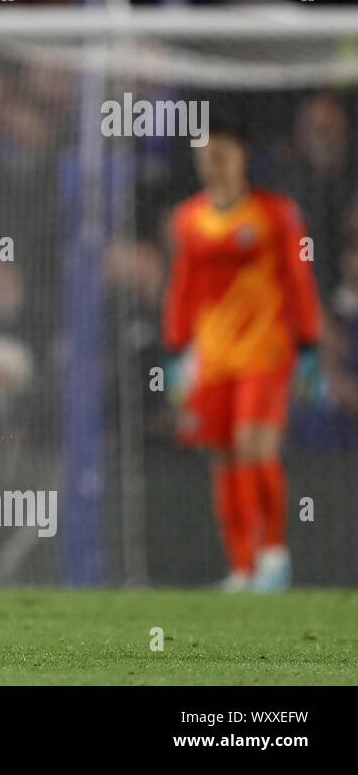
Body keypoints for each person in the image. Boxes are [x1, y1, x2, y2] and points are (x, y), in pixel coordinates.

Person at [162, 122, 322, 591]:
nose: (214, 164)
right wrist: (175, 350)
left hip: (265, 351)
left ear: (242, 156)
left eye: (223, 154)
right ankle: (241, 567)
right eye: (206, 156)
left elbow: (298, 280)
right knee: (224, 456)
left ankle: (273, 553)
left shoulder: (276, 214)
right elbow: (183, 289)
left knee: (256, 445)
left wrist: (309, 343)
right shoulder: (189, 219)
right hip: (212, 359)